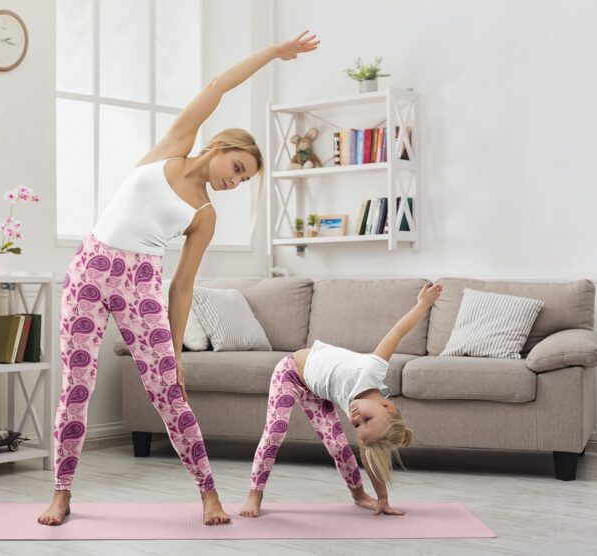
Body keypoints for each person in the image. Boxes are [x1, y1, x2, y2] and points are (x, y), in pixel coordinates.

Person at [38, 30, 321, 526]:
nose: (233, 181)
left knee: (170, 393)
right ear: (218, 147)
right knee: (75, 388)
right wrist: (274, 53)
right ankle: (61, 493)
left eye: (242, 180)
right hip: (87, 270)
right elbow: (217, 85)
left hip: (140, 284)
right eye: (235, 167)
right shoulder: (173, 146)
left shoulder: (205, 214)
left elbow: (183, 286)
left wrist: (175, 350)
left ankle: (208, 492)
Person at [240, 283, 443, 518]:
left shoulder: (361, 408)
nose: (356, 419)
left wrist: (383, 498)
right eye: (366, 419)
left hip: (316, 393)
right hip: (290, 372)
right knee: (275, 432)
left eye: (358, 426)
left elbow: (370, 457)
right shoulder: (372, 371)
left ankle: (359, 495)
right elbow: (397, 332)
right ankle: (254, 495)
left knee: (338, 446)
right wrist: (423, 304)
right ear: (386, 405)